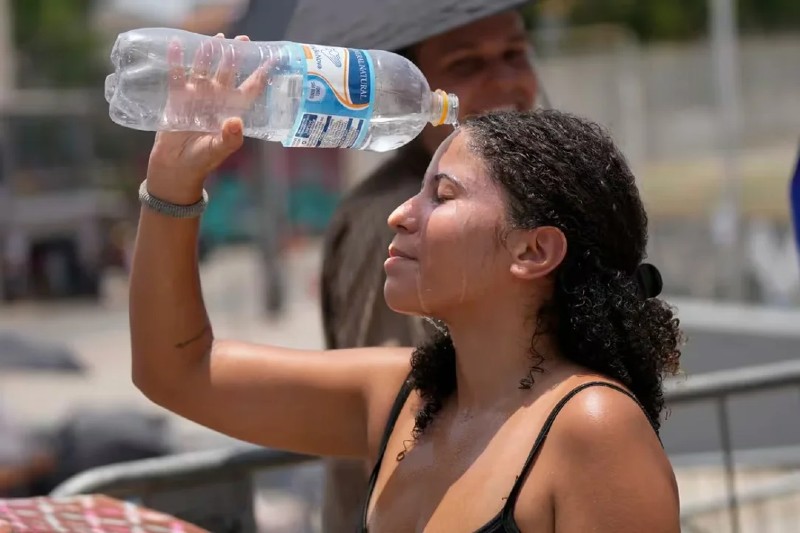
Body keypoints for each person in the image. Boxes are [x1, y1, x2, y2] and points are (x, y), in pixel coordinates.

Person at [129, 33, 682, 532]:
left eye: (441, 196)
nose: (399, 214)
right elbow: (177, 370)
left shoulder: (592, 429)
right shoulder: (403, 397)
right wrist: (172, 186)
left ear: (533, 250)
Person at [319, 10, 540, 528]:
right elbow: (402, 418)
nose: (505, 81)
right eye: (466, 64)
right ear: (407, 89)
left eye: (514, 54)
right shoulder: (395, 222)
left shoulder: (519, 195)